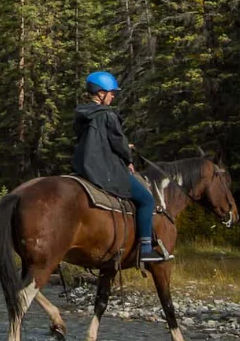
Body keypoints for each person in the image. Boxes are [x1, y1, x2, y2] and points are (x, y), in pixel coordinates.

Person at [73, 71, 171, 262]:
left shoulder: (82, 114)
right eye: (111, 93)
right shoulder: (108, 115)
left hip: (83, 167)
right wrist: (128, 157)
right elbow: (118, 142)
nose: (113, 96)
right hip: (106, 170)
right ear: (100, 93)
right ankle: (145, 248)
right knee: (146, 199)